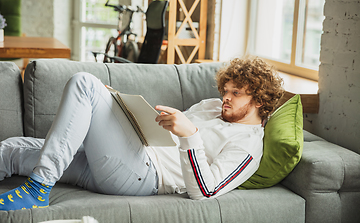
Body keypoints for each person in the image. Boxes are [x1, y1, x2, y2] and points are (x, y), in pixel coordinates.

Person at [0, 57, 284, 211]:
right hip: (125, 154)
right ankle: (37, 182)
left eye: (236, 93)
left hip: (142, 176)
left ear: (259, 99)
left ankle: (38, 190)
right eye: (225, 90)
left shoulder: (248, 148)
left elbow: (206, 192)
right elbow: (167, 137)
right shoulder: (212, 106)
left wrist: (191, 135)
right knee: (11, 149)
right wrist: (123, 112)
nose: (225, 97)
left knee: (84, 84)